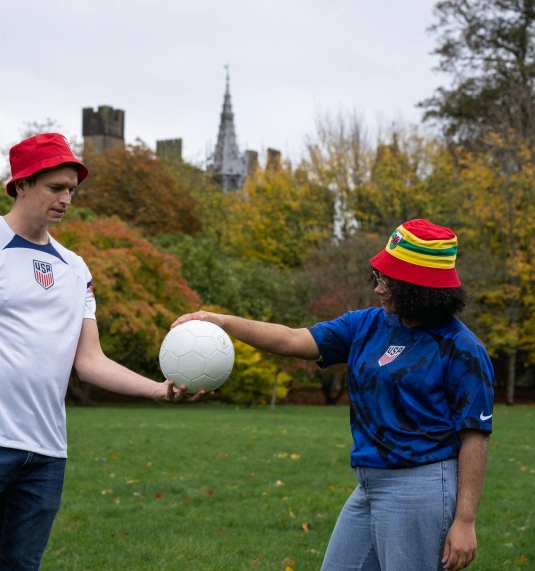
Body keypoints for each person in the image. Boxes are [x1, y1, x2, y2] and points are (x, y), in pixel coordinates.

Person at [0, 133, 206, 571]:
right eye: (56, 187)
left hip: (46, 452)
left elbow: (89, 360)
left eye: (71, 191)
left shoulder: (75, 268)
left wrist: (158, 391)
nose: (66, 199)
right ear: (22, 184)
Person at [173, 219, 494, 571]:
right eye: (378, 278)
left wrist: (464, 521)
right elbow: (293, 340)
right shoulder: (367, 325)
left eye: (389, 281)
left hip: (420, 489)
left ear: (420, 287)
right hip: (369, 484)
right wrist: (222, 322)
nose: (378, 289)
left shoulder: (461, 348)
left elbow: (475, 437)